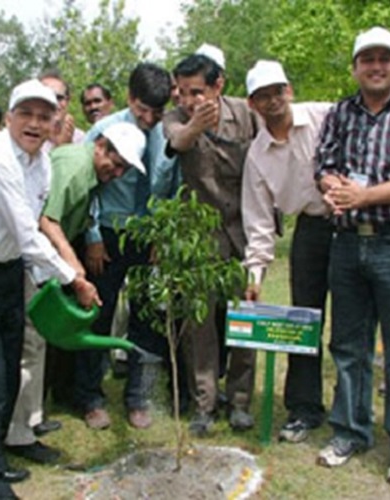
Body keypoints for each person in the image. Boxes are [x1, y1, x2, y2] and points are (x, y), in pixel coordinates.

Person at [0, 79, 99, 500]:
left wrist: (55, 278)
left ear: (54, 122)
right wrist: (73, 279)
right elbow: (28, 236)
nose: (35, 123)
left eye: (44, 116)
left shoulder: (41, 161)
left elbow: (28, 234)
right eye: (26, 114)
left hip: (6, 273)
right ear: (9, 119)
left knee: (6, 375)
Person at [315, 27, 390, 485]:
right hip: (346, 243)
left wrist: (364, 196)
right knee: (348, 346)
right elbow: (322, 165)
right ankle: (350, 431)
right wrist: (337, 190)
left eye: (385, 59)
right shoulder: (341, 112)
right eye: (368, 59)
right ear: (355, 67)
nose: (376, 66)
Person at [4, 122, 146, 459]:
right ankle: (17, 434)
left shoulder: (89, 173)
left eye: (124, 167)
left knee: (36, 345)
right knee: (28, 346)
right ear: (100, 145)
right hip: (29, 259)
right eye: (115, 161)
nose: (117, 170)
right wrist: (76, 273)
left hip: (42, 262)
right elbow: (46, 221)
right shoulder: (76, 167)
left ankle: (32, 420)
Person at [163, 46, 258, 436]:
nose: (187, 100)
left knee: (244, 323)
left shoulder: (246, 114)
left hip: (243, 233)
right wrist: (196, 124)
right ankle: (203, 403)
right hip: (199, 240)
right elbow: (179, 141)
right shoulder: (175, 119)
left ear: (219, 85)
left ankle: (239, 402)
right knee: (198, 326)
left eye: (196, 92)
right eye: (182, 91)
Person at [74, 62, 174, 430]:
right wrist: (94, 237)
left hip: (147, 235)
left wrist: (160, 234)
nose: (148, 119)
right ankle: (90, 395)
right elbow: (88, 184)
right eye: (142, 110)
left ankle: (138, 397)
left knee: (147, 316)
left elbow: (172, 184)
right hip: (109, 234)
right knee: (98, 315)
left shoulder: (167, 133)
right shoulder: (103, 130)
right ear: (130, 98)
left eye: (156, 112)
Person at [242, 60, 333, 443]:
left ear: (289, 90)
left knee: (352, 325)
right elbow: (259, 223)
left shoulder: (324, 115)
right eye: (262, 95)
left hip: (352, 220)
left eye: (277, 91)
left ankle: (350, 410)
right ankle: (304, 408)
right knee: (304, 321)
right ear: (252, 105)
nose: (272, 100)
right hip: (310, 228)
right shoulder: (257, 156)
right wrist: (255, 275)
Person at [40, 70, 85, 150]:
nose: (54, 103)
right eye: (47, 97)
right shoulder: (28, 138)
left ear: (67, 101)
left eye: (59, 98)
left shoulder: (82, 140)